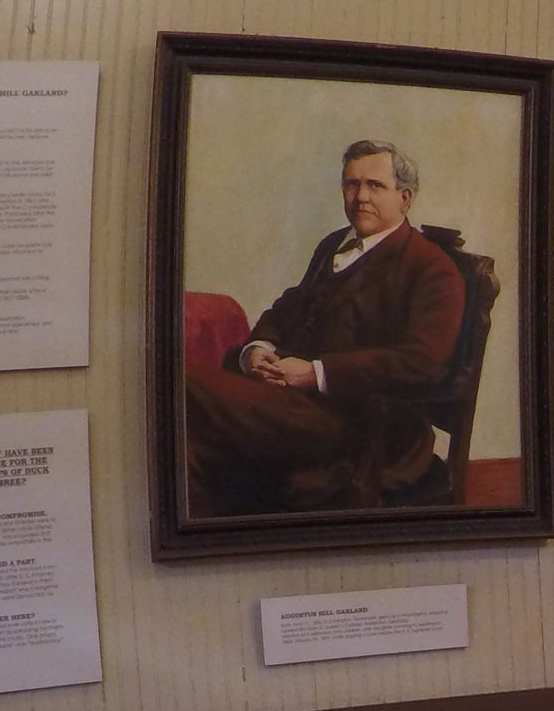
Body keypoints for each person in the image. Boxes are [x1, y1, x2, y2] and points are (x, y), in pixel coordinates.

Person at [184, 140, 467, 516]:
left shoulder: (430, 267)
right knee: (187, 448)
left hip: (361, 424)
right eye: (351, 185)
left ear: (405, 197)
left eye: (375, 186)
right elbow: (289, 307)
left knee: (183, 384)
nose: (361, 196)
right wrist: (258, 349)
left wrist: (315, 373)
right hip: (296, 405)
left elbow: (422, 362)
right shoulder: (334, 244)